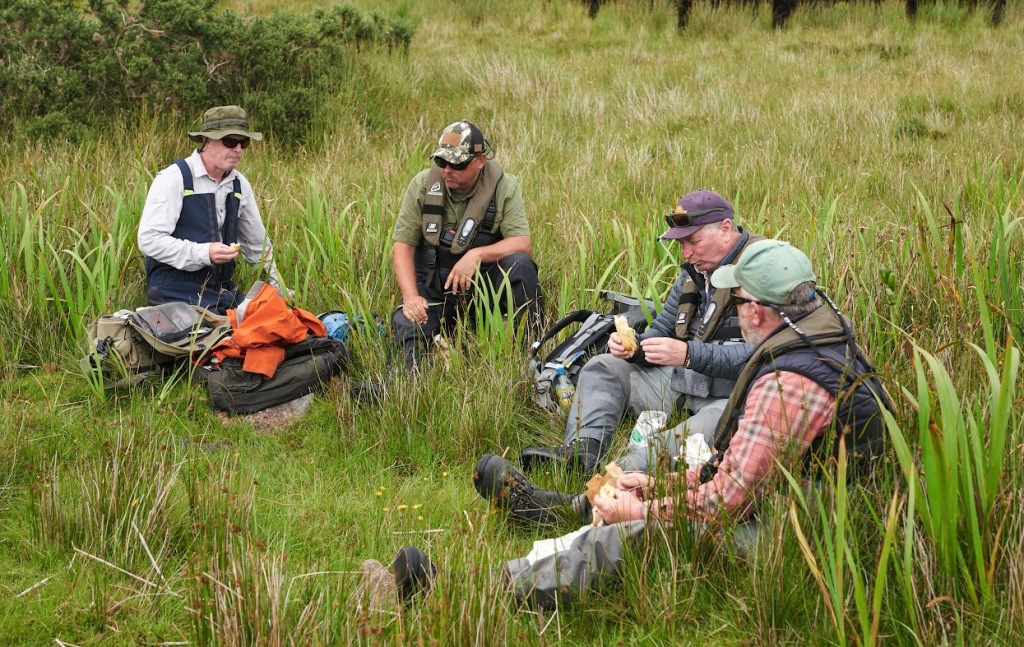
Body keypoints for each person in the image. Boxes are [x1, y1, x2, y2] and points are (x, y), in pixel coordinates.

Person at [382, 239, 889, 609]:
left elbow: (725, 506)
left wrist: (639, 509)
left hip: (805, 535)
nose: (733, 306)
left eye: (737, 301)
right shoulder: (816, 335)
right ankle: (558, 516)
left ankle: (463, 592)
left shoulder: (791, 384)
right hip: (793, 504)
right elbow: (736, 474)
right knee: (642, 502)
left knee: (637, 535)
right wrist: (658, 485)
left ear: (757, 310)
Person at [521, 190, 763, 476]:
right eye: (682, 244)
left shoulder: (763, 269)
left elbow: (764, 354)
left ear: (725, 229)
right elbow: (662, 329)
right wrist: (635, 348)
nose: (686, 253)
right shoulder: (694, 272)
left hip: (734, 397)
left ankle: (612, 481)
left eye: (694, 241)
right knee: (603, 366)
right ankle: (582, 453)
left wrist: (687, 354)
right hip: (682, 382)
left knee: (667, 447)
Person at [390, 120, 543, 370]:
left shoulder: (505, 187)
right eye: (442, 162)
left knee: (522, 265)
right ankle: (408, 380)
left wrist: (476, 255)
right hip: (433, 291)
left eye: (457, 164)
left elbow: (522, 244)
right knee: (407, 328)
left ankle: (530, 354)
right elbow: (403, 247)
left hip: (483, 292)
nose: (448, 170)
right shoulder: (422, 185)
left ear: (480, 161)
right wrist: (411, 297)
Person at [138, 105, 284, 315]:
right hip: (173, 288)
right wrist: (204, 253)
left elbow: (257, 246)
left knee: (271, 322)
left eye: (244, 143)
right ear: (207, 140)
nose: (238, 150)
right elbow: (149, 240)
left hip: (221, 290)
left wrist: (279, 289)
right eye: (230, 142)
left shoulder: (239, 184)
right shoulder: (174, 178)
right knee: (220, 336)